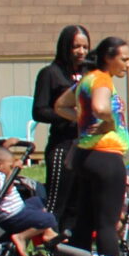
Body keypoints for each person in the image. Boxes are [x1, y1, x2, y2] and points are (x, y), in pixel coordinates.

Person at [63, 36, 129, 256]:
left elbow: (61, 106)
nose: (127, 64)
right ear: (108, 58)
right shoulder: (103, 79)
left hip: (85, 157)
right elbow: (100, 107)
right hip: (106, 158)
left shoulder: (86, 79)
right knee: (107, 224)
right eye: (124, 59)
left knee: (84, 222)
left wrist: (83, 119)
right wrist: (108, 122)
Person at [31, 25, 90, 230]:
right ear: (65, 47)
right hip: (62, 146)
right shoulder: (50, 74)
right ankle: (47, 248)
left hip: (86, 145)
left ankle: (70, 253)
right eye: (76, 46)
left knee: (78, 206)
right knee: (57, 204)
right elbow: (39, 111)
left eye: (85, 47)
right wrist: (68, 114)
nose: (81, 51)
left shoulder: (89, 74)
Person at [0, 143, 54, 256]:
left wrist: (7, 146)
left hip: (18, 209)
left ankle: (47, 231)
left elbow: (0, 156)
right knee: (49, 218)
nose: (11, 169)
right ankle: (21, 237)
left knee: (37, 201)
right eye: (10, 166)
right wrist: (14, 171)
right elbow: (6, 189)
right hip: (12, 217)